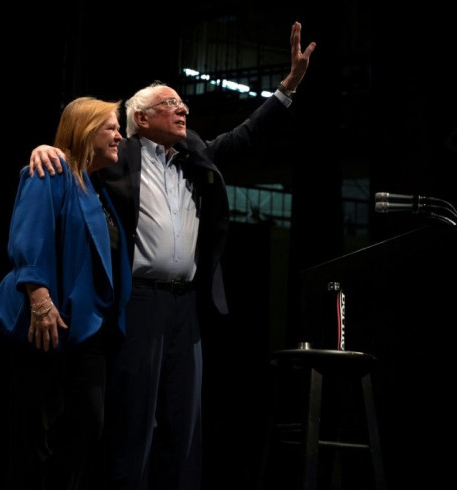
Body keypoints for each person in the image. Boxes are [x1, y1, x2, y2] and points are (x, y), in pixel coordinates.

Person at [28, 22, 316, 490]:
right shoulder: (119, 154)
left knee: (185, 424)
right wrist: (48, 148)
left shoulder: (195, 154)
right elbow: (77, 155)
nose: (183, 108)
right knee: (134, 421)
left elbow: (244, 136)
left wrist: (287, 89)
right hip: (138, 303)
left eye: (181, 103)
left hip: (188, 307)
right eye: (170, 103)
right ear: (141, 118)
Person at [0, 96, 131, 489]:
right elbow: (29, 238)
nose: (120, 134)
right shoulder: (49, 170)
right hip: (44, 321)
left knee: (87, 425)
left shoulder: (99, 187)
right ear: (86, 131)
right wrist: (39, 299)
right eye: (111, 127)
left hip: (87, 328)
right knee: (36, 431)